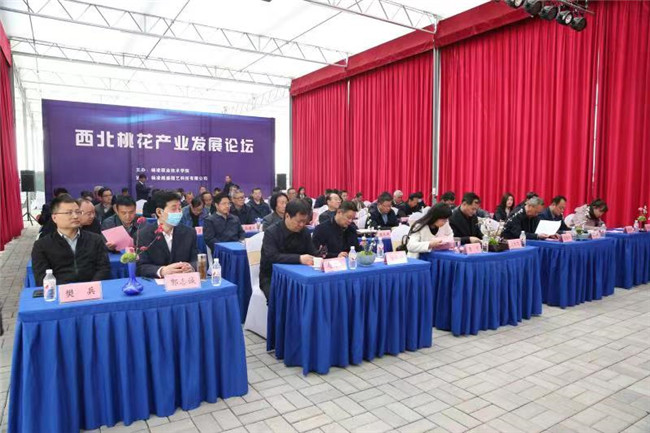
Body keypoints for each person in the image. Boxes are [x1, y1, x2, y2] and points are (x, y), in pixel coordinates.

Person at [31, 195, 110, 286]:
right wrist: (70, 290)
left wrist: (89, 287)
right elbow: (41, 277)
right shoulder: (41, 245)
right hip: (60, 291)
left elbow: (104, 269)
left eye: (78, 212)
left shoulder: (95, 240)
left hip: (91, 290)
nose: (75, 216)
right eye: (69, 213)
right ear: (54, 218)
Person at [260, 199, 318, 300]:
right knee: (280, 298)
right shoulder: (271, 232)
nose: (301, 225)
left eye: (304, 221)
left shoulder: (304, 232)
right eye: (299, 221)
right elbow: (272, 257)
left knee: (315, 292)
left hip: (299, 276)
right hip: (273, 276)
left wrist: (321, 254)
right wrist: (299, 259)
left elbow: (312, 252)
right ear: (287, 216)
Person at [136, 190, 198, 278]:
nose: (178, 213)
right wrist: (162, 271)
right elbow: (140, 267)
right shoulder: (143, 235)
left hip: (183, 281)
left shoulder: (189, 233)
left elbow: (197, 259)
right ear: (159, 212)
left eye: (179, 209)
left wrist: (191, 267)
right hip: (157, 282)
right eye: (174, 209)